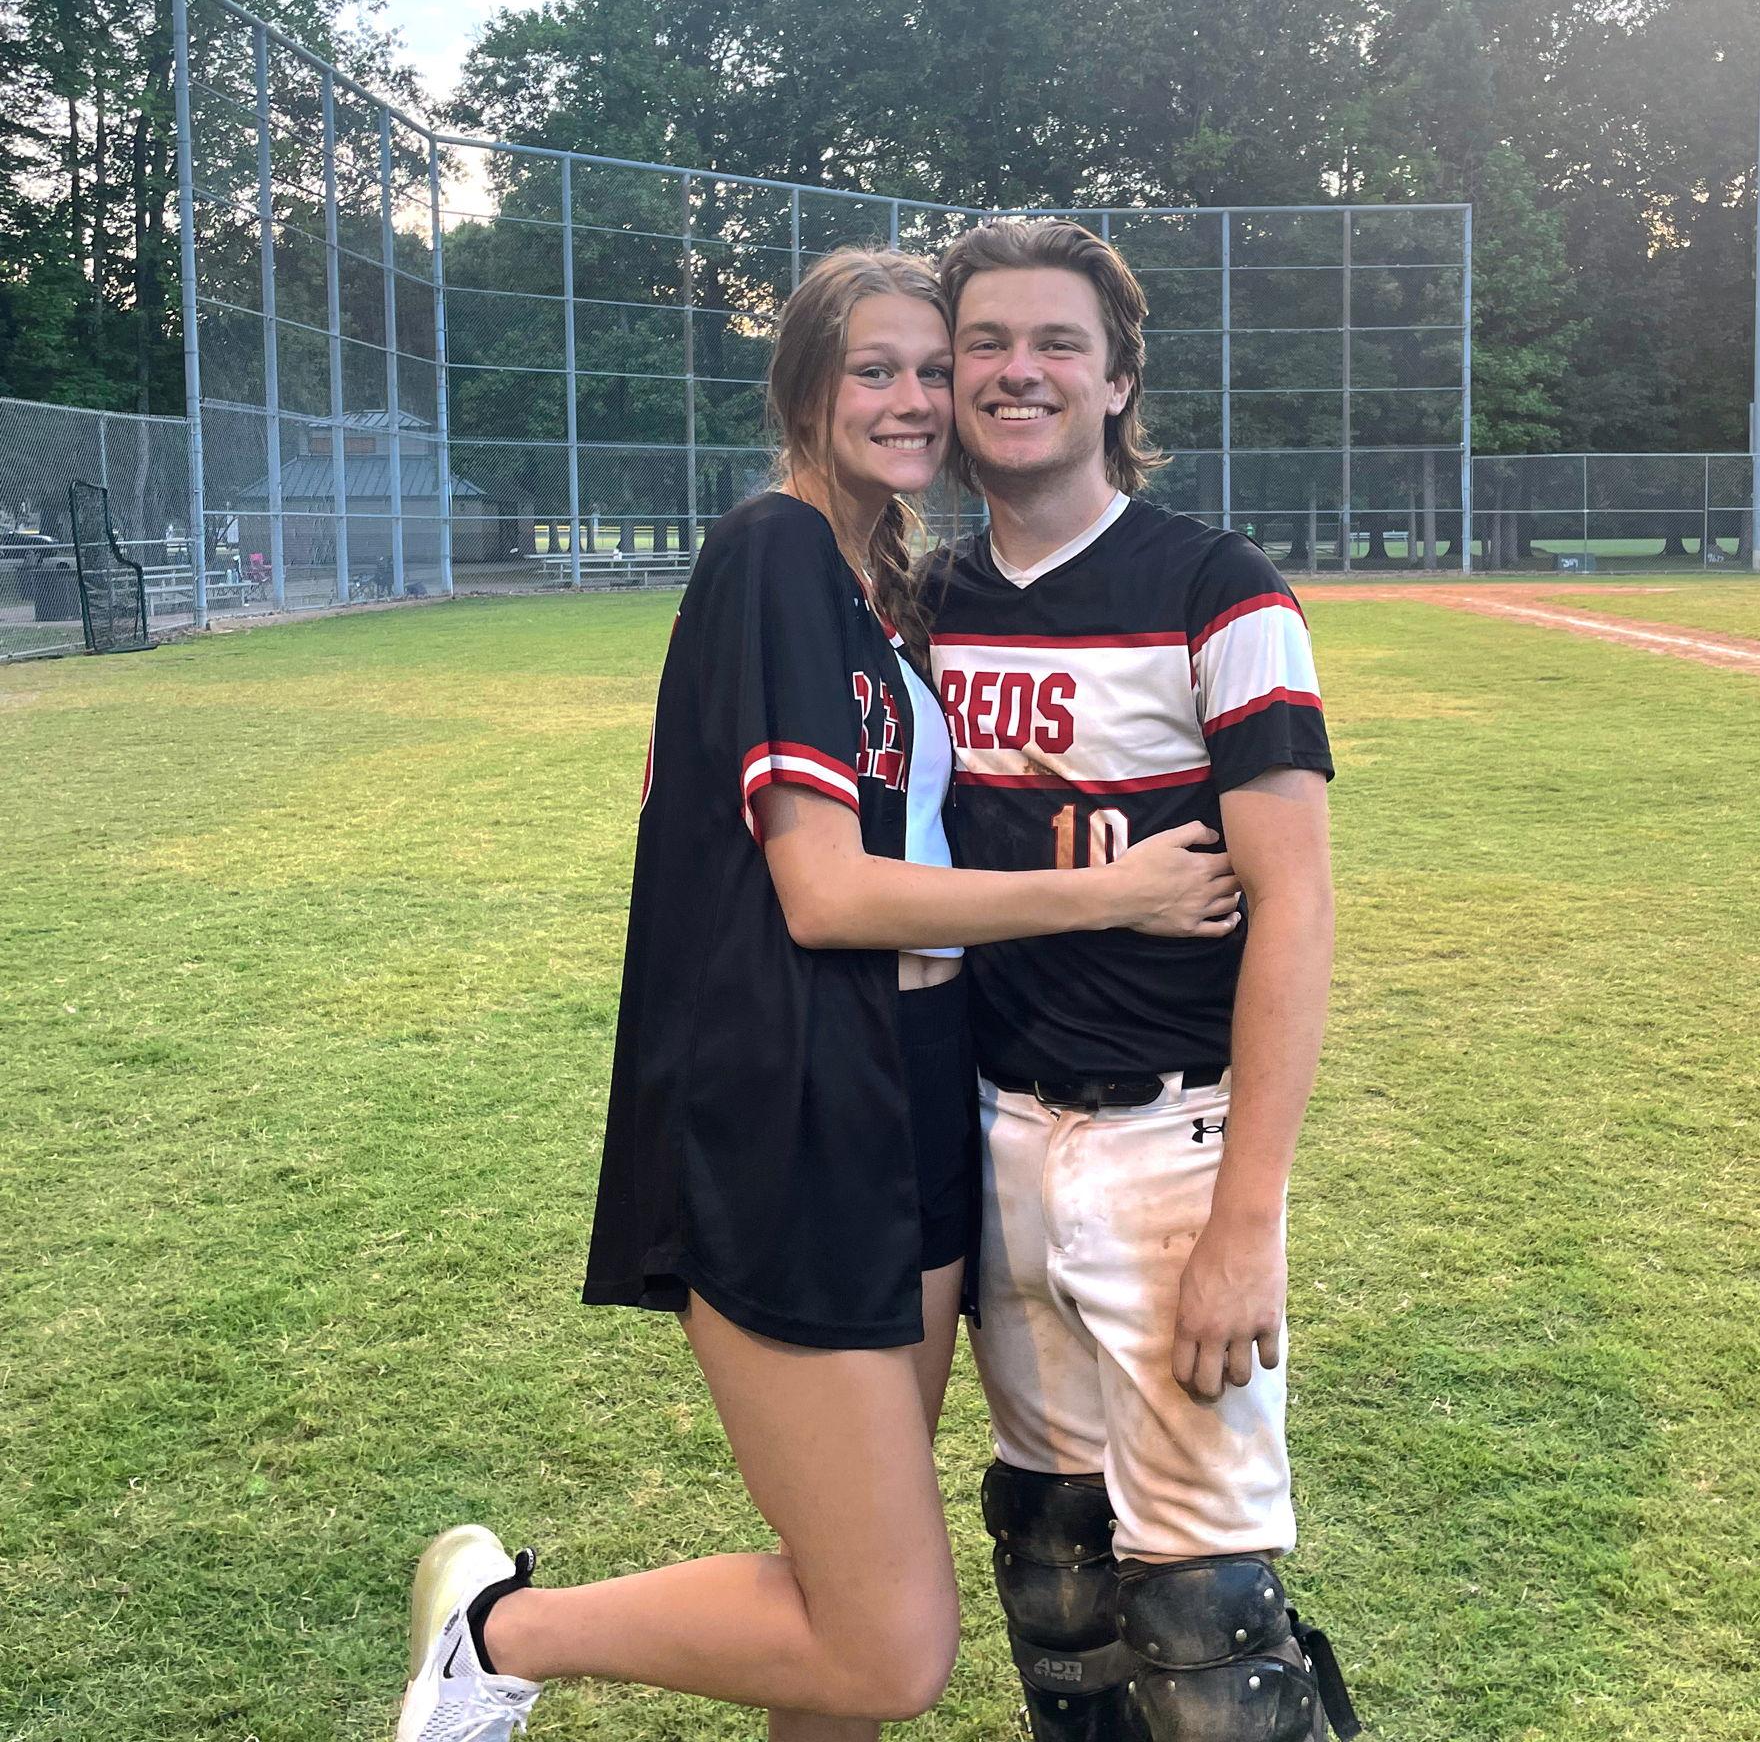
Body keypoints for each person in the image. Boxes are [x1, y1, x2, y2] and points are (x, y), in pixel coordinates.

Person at [393, 247, 1243, 1742]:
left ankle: (499, 1634)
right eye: (876, 370)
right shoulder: (775, 550)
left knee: (839, 1601)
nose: (916, 399)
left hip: (911, 1086)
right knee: (887, 1648)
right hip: (794, 1102)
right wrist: (1111, 892)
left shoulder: (882, 588)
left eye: (935, 371)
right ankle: (497, 1632)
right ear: (803, 389)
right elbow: (827, 894)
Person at [923, 219, 1359, 1740]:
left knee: (1202, 1611)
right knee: (1055, 1566)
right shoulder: (922, 603)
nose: (1018, 371)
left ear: (1117, 381)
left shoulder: (1218, 589)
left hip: (1172, 1143)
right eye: (986, 343)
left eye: (1058, 342)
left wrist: (1247, 1221)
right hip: (991, 1132)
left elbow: (1295, 908)